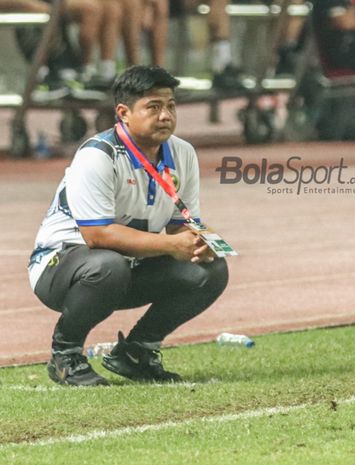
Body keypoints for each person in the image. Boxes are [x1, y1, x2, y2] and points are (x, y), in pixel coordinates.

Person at [28, 65, 229, 386]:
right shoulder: (99, 155)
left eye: (171, 106)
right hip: (62, 267)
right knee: (109, 264)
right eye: (153, 107)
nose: (165, 116)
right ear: (123, 113)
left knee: (210, 270)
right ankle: (66, 355)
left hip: (127, 265)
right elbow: (98, 235)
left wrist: (200, 242)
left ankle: (136, 352)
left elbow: (180, 224)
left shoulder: (182, 154)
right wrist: (172, 245)